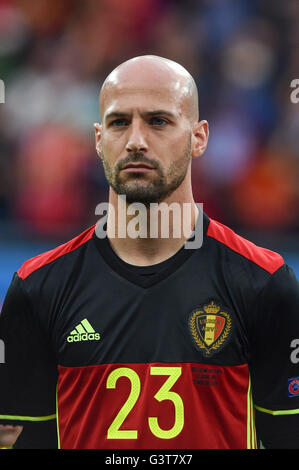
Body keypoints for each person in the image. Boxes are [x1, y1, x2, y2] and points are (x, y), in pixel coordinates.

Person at [0, 55, 299, 449]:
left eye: (158, 121)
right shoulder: (38, 288)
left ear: (199, 137)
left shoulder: (264, 283)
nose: (136, 140)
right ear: (98, 139)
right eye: (119, 122)